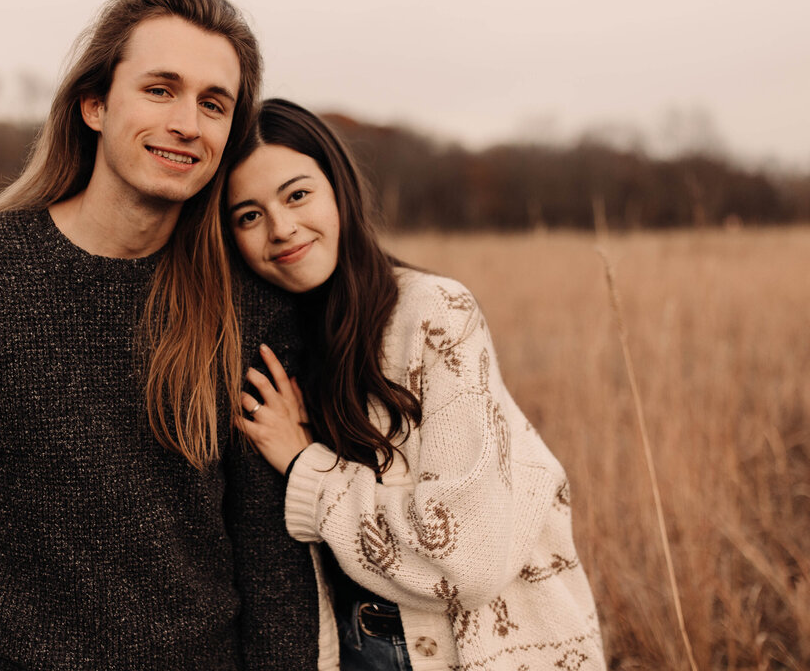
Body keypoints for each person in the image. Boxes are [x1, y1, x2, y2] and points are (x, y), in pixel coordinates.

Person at [0, 0, 319, 670]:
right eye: (160, 89)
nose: (186, 123)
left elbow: (271, 558)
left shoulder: (250, 305)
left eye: (213, 104)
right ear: (95, 104)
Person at [224, 99, 606, 671]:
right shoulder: (279, 336)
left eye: (297, 194)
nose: (282, 228)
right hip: (353, 648)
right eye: (249, 216)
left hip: (465, 652)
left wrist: (304, 463)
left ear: (338, 190)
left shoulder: (433, 314)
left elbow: (468, 561)